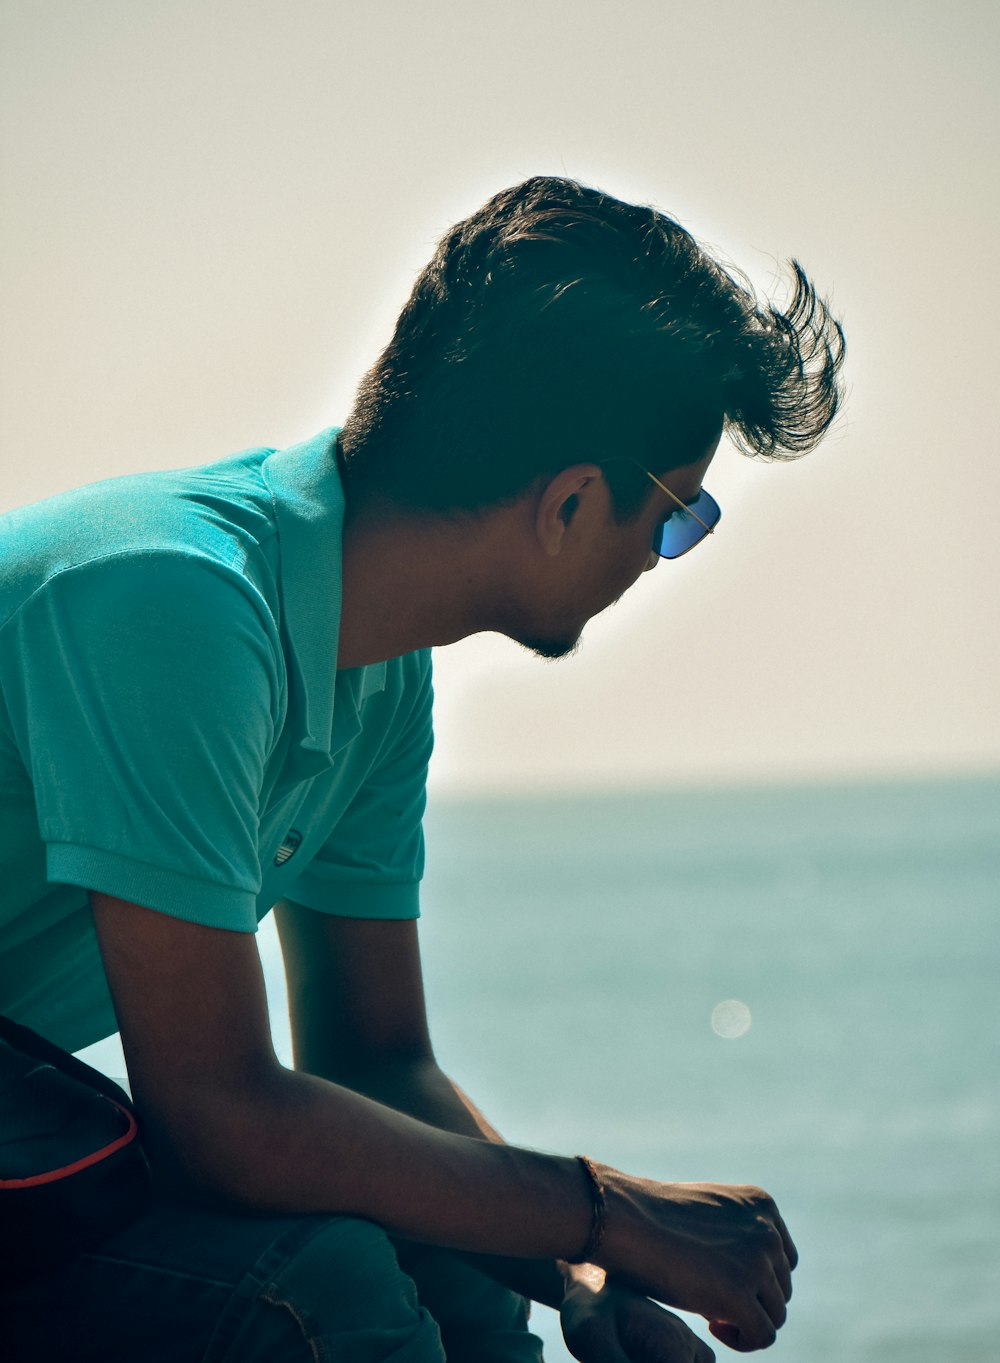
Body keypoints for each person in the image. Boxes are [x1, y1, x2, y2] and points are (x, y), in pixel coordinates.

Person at [0, 176, 845, 1362]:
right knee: (319, 1286)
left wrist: (585, 1267)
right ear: (565, 502)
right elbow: (216, 1117)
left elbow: (374, 1061)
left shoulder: (376, 668)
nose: (666, 559)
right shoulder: (171, 600)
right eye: (677, 518)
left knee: (440, 1260)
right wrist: (606, 1205)